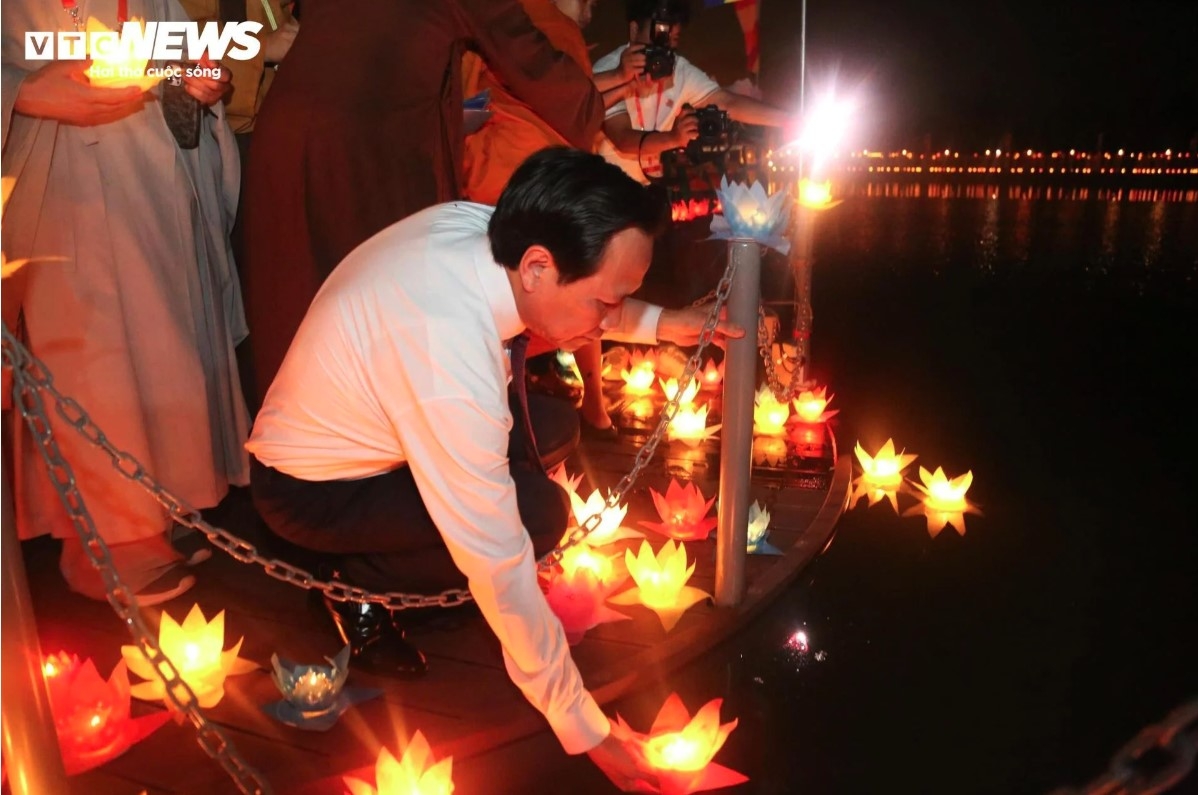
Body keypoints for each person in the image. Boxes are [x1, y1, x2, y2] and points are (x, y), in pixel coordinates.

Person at [245, 148, 742, 789]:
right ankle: (350, 579)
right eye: (605, 301)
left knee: (554, 428)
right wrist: (584, 725)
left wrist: (664, 322)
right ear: (538, 265)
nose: (607, 314)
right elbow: (498, 557)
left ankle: (386, 555)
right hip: (314, 491)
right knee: (536, 517)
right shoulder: (444, 346)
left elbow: (586, 294)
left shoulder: (487, 232)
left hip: (379, 432)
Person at [2, 0, 250, 604]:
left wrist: (200, 78)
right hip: (59, 170)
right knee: (91, 346)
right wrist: (22, 91)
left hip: (155, 169)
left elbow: (176, 49)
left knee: (167, 333)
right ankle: (101, 538)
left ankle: (159, 507)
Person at [242, 0, 606, 402]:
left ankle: (296, 444)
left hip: (286, 137)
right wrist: (593, 113)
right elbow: (531, 61)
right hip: (364, 150)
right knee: (383, 308)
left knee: (294, 303)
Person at [461, 0, 615, 437]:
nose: (590, 9)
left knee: (504, 306)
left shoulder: (517, 22)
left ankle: (501, 409)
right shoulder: (540, 25)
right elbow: (578, 108)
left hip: (500, 178)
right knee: (553, 292)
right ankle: (526, 412)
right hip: (523, 183)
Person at [595, 0, 793, 184]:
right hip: (607, 190)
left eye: (673, 39)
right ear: (634, 30)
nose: (664, 47)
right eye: (660, 36)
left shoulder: (679, 70)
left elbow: (728, 102)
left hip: (651, 189)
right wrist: (673, 138)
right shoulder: (608, 71)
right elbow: (623, 138)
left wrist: (789, 120)